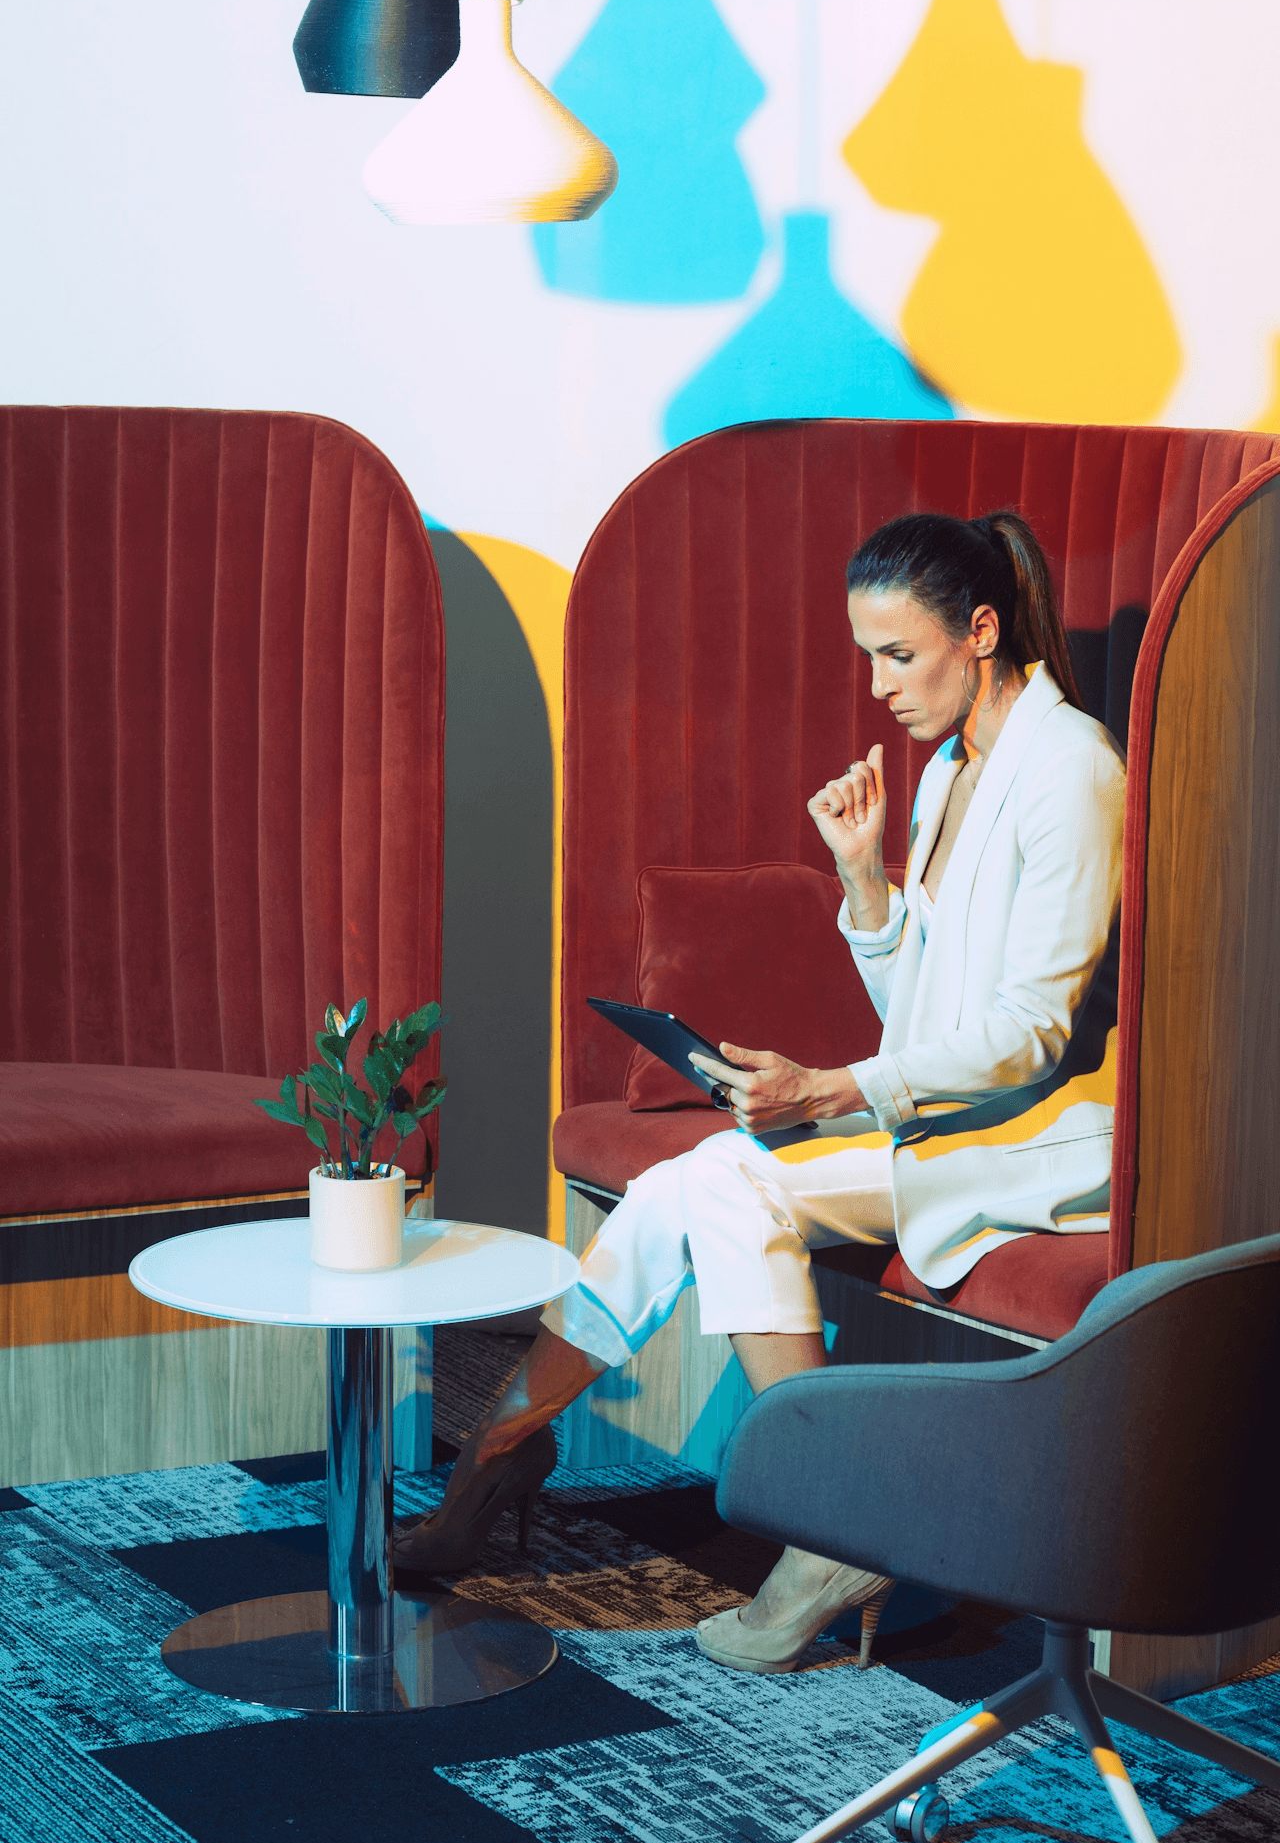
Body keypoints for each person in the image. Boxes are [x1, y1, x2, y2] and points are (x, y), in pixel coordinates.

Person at [395, 509, 1125, 1674]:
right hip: (953, 1114)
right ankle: (510, 1452)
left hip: (1035, 1141)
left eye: (898, 653)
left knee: (726, 1183)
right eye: (865, 656)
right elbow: (923, 1020)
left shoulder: (1070, 768)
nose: (878, 685)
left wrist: (831, 1089)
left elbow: (1030, 1035)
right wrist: (864, 887)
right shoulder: (947, 769)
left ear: (979, 630)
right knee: (703, 1182)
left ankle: (822, 1517)